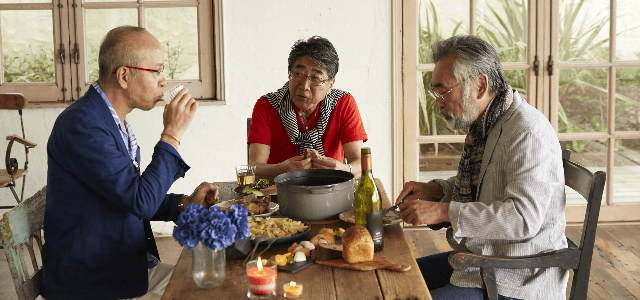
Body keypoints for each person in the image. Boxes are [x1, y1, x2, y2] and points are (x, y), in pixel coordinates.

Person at [41, 26, 219, 300]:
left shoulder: (109, 120)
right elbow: (140, 200)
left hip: (124, 265)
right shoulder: (83, 125)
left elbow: (128, 193)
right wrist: (172, 134)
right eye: (157, 70)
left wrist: (184, 203)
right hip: (92, 281)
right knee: (207, 290)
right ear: (124, 75)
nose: (164, 80)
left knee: (211, 281)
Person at [396, 35, 568, 300]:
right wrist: (434, 190)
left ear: (479, 85)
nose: (438, 102)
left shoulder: (527, 133)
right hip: (482, 261)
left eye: (442, 91)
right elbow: (483, 187)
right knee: (396, 278)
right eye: (435, 93)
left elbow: (522, 219)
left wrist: (443, 211)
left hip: (516, 278)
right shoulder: (489, 123)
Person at [248, 36, 368, 180]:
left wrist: (342, 169)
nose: (304, 86)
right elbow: (254, 168)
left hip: (330, 191)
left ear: (330, 84)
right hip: (279, 193)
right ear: (289, 74)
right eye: (298, 74)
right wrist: (282, 170)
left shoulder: (343, 103)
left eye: (316, 78)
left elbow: (362, 163)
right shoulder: (267, 105)